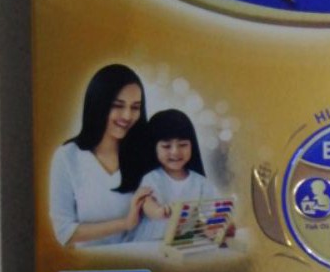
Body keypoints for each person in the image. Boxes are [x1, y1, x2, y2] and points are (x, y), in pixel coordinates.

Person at [49, 64, 153, 246]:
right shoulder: (67, 157)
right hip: (92, 262)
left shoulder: (146, 152)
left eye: (135, 107)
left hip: (141, 260)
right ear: (98, 104)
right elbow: (64, 232)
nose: (127, 116)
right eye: (117, 106)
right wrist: (125, 223)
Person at [134, 109, 223, 241]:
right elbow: (147, 203)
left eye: (182, 145)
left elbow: (208, 214)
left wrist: (211, 228)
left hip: (185, 242)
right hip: (153, 240)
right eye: (166, 146)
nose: (175, 152)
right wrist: (158, 212)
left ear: (192, 145)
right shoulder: (152, 178)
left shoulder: (201, 183)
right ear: (154, 148)